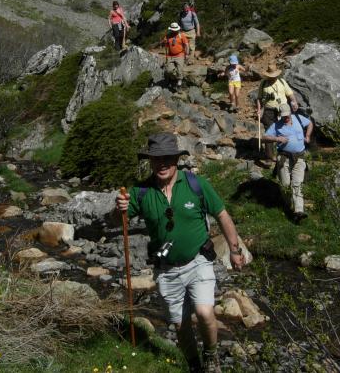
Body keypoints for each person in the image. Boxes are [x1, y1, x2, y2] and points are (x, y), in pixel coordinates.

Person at [115, 133, 245, 373]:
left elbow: (222, 215)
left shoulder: (196, 184)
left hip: (198, 261)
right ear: (150, 161)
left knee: (204, 312)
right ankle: (194, 365)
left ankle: (211, 356)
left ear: (176, 159)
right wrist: (119, 208)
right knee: (180, 325)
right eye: (156, 159)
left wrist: (235, 251)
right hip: (166, 269)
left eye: (167, 158)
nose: (162, 164)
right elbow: (118, 220)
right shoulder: (141, 191)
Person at [263, 103, 313, 224]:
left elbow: (310, 124)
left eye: (287, 115)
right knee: (285, 184)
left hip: (299, 157)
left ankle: (299, 211)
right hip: (284, 158)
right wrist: (277, 139)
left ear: (290, 112)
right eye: (283, 116)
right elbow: (264, 137)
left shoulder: (298, 118)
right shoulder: (276, 125)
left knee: (297, 183)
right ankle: (288, 204)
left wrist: (307, 136)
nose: (286, 118)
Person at [256, 61, 299, 162]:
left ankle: (285, 153)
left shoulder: (282, 82)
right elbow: (259, 98)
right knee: (269, 132)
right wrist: (259, 109)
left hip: (283, 110)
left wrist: (294, 102)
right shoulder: (263, 83)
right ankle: (269, 156)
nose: (272, 78)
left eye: (274, 76)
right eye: (271, 76)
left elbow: (290, 94)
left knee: (285, 130)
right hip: (268, 111)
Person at [162, 22, 190, 90]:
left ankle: (179, 83)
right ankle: (175, 78)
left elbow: (186, 45)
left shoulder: (181, 35)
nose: (174, 31)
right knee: (169, 70)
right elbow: (165, 45)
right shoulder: (167, 36)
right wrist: (164, 42)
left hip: (180, 55)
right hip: (170, 56)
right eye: (173, 30)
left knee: (180, 70)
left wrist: (187, 54)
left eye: (175, 30)